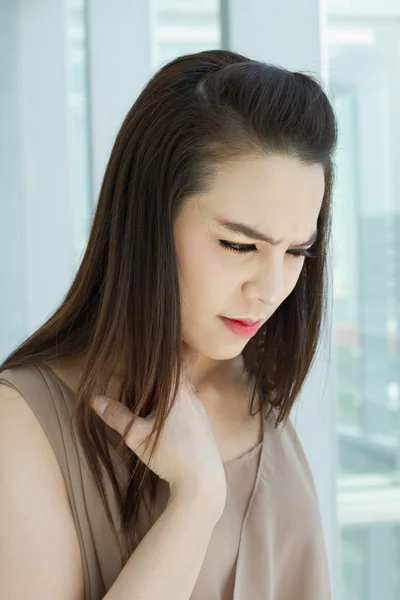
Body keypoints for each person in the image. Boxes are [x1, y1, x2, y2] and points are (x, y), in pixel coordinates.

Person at [0, 49, 337, 600]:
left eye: (297, 251)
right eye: (239, 244)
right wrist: (197, 498)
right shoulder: (23, 423)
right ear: (148, 220)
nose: (271, 289)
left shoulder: (256, 379)